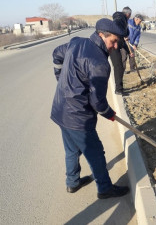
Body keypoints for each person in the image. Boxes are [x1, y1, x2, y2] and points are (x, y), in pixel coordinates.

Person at [51, 16, 130, 199]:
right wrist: (109, 113)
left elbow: (56, 54)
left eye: (117, 42)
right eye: (113, 42)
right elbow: (98, 102)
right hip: (78, 117)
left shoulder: (76, 42)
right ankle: (105, 188)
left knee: (71, 149)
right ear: (102, 35)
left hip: (60, 109)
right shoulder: (100, 64)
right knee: (96, 152)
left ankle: (72, 182)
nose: (116, 47)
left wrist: (60, 79)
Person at [109, 6, 132, 95]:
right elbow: (116, 26)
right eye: (130, 15)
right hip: (112, 45)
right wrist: (124, 33)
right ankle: (118, 89)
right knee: (118, 66)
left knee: (119, 67)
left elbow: (122, 41)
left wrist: (130, 52)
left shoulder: (122, 19)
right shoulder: (120, 19)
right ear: (128, 14)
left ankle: (119, 88)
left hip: (116, 44)